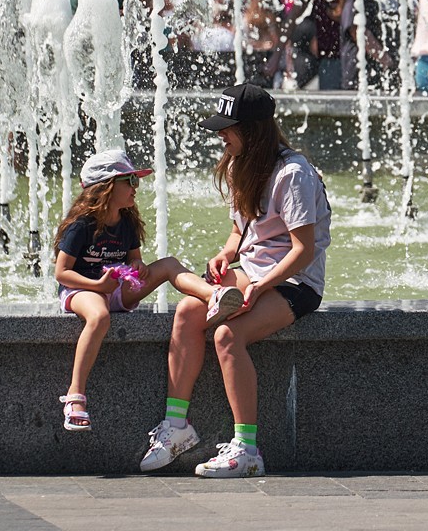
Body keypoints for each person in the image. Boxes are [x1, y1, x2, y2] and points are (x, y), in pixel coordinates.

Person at [139, 83, 330, 478]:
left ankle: (247, 449)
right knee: (188, 312)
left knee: (228, 336)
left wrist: (260, 286)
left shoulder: (293, 174)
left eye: (228, 128)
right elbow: (238, 233)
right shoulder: (241, 164)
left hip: (296, 283)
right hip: (254, 273)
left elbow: (303, 251)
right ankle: (177, 427)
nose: (221, 136)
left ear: (254, 130)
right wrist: (226, 254)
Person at [55, 149, 244, 432]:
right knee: (99, 316)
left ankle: (212, 296)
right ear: (106, 187)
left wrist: (138, 265)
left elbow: (134, 257)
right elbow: (62, 272)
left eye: (136, 181)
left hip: (117, 287)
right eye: (129, 181)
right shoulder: (82, 225)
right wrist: (97, 285)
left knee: (168, 264)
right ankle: (75, 396)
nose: (136, 188)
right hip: (83, 289)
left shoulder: (126, 221)